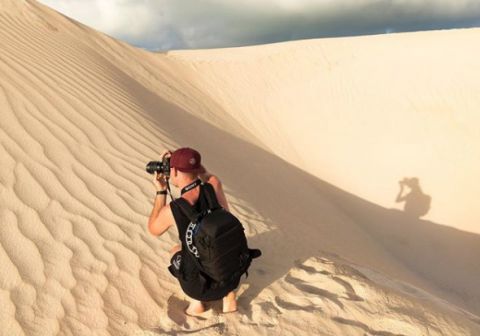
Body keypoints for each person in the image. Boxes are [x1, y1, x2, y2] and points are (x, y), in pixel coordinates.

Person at [147, 147, 238, 316]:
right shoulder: (214, 185)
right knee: (216, 246)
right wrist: (189, 161)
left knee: (177, 250)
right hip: (232, 276)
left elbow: (153, 229)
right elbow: (206, 174)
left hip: (199, 288)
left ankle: (197, 305)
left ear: (173, 171)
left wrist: (161, 190)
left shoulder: (174, 209)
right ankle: (228, 294)